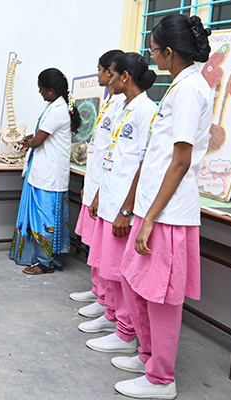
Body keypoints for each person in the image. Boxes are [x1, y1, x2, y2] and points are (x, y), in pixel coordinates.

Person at [113, 14, 212, 400]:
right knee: (135, 282)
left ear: (169, 52)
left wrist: (151, 218)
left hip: (167, 213)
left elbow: (181, 161)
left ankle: (161, 379)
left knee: (162, 297)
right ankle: (148, 356)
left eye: (154, 51)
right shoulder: (181, 86)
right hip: (153, 207)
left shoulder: (189, 91)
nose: (151, 58)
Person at [83, 53, 157, 354]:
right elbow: (113, 154)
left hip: (124, 206)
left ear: (125, 76)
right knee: (108, 266)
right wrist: (100, 193)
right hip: (110, 197)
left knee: (121, 272)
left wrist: (126, 209)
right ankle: (112, 316)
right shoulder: (124, 107)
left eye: (112, 74)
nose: (109, 80)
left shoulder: (146, 111)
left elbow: (142, 165)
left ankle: (126, 331)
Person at [70, 50, 126, 323]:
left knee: (106, 250)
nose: (100, 75)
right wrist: (88, 184)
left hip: (108, 187)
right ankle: (97, 291)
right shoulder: (109, 101)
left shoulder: (122, 105)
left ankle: (107, 300)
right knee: (95, 244)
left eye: (102, 70)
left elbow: (115, 152)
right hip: (96, 182)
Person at [9, 68, 81, 274]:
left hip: (49, 177)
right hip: (43, 173)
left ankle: (45, 262)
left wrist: (27, 142)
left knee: (45, 220)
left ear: (51, 90)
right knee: (43, 219)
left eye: (41, 89)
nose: (40, 92)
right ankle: (44, 258)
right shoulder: (55, 107)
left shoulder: (57, 111)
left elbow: (38, 140)